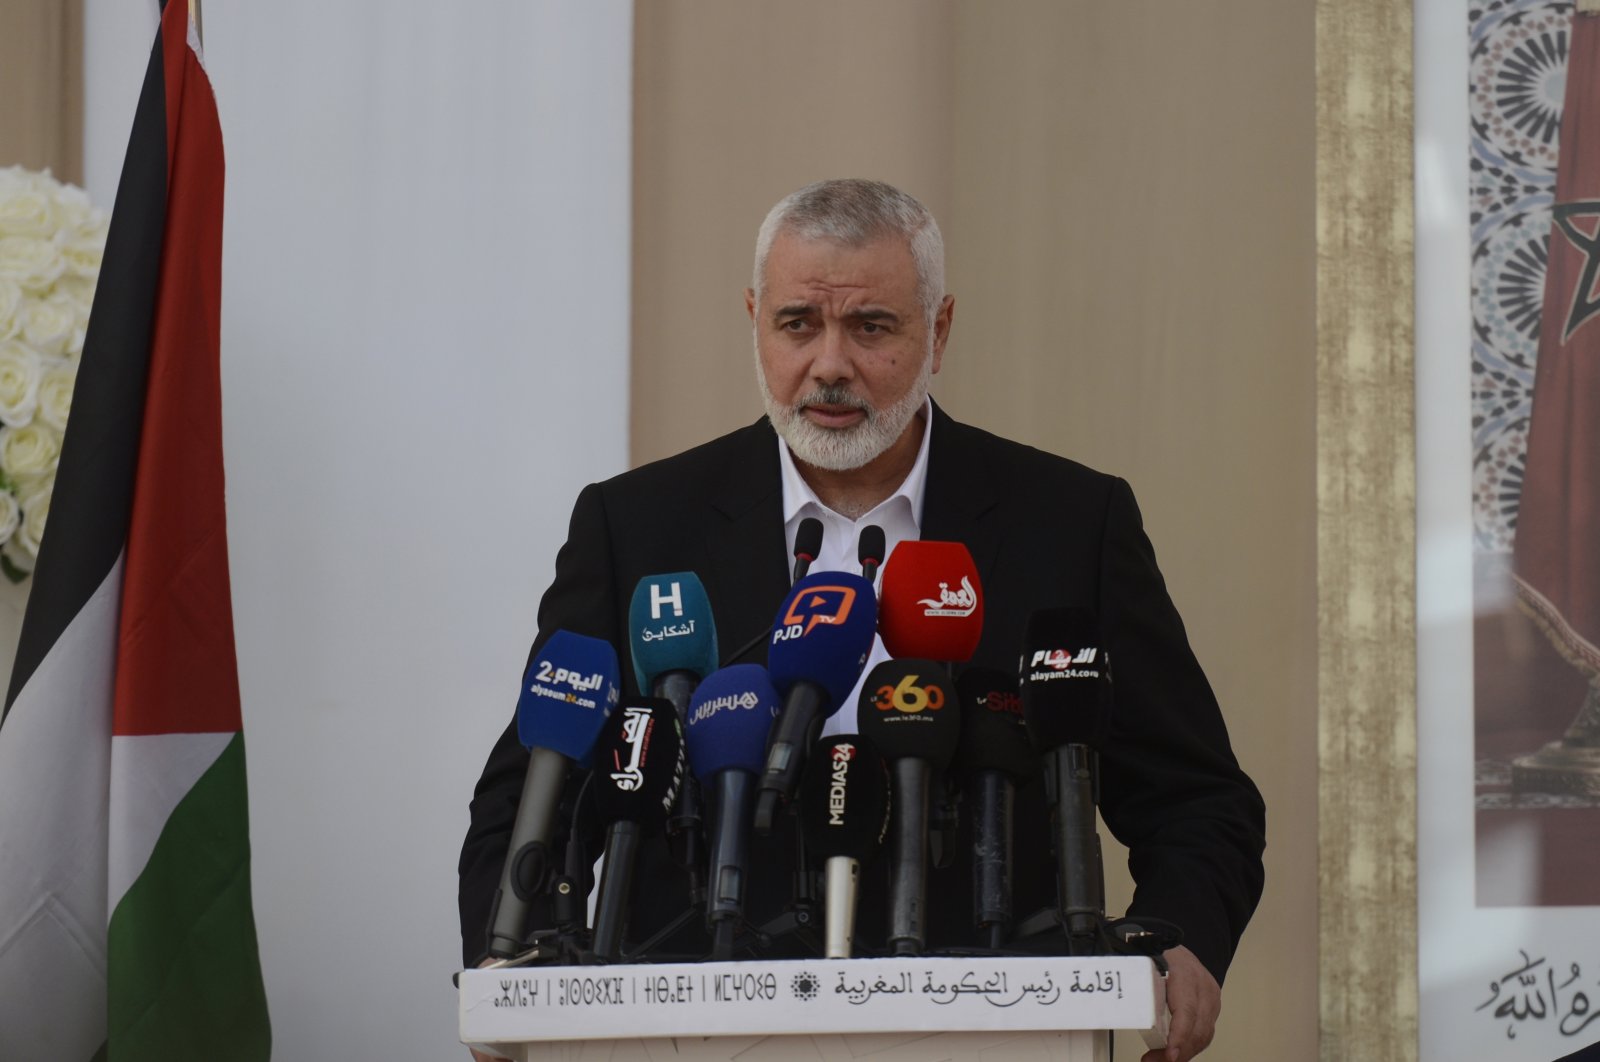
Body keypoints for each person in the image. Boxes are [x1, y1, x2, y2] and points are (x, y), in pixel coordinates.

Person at [459, 178, 1265, 1062]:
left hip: (1000, 1022)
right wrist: (512, 970)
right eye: (798, 323)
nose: (831, 364)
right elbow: (533, 792)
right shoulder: (639, 526)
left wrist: (1178, 939)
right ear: (755, 321)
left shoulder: (1068, 522)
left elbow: (1196, 800)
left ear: (940, 332)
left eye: (872, 327)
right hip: (693, 1025)